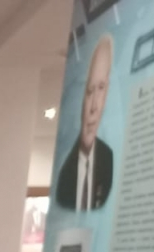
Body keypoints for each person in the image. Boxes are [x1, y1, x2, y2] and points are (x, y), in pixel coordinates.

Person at [57, 34, 113, 211]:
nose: (94, 107)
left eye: (101, 89)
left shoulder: (107, 158)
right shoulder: (63, 172)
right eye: (89, 91)